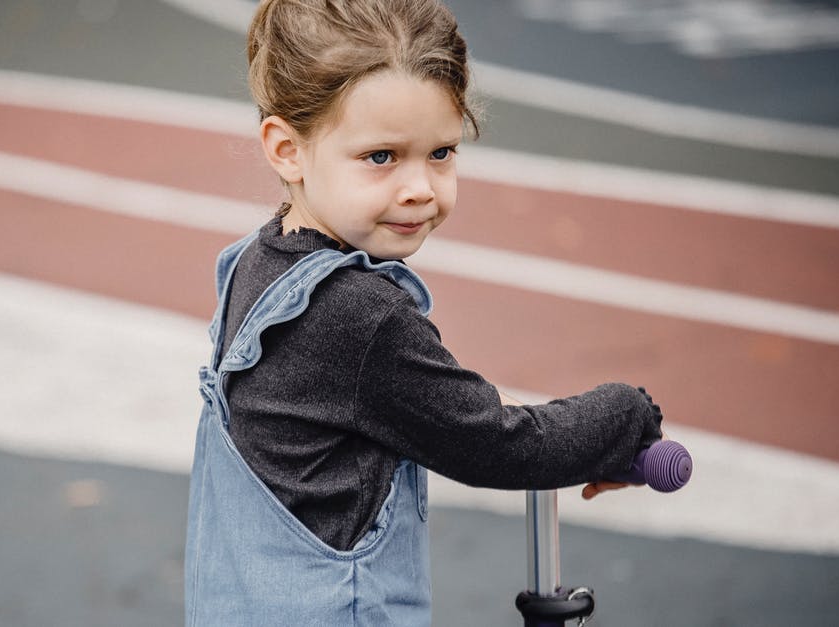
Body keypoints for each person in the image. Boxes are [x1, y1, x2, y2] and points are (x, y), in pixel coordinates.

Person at [184, 0, 664, 624]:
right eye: (381, 157)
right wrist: (626, 417)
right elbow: (499, 445)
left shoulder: (258, 262)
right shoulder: (358, 315)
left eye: (440, 153)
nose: (420, 187)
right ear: (286, 149)